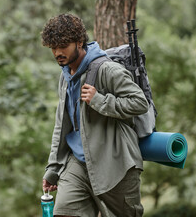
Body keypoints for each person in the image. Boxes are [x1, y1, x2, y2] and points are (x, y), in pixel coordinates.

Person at [41, 13, 149, 217]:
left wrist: (99, 100)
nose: (57, 52)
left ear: (79, 42)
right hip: (78, 165)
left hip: (115, 165)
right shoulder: (65, 77)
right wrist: (53, 168)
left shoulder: (107, 69)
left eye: (63, 45)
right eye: (53, 47)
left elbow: (139, 102)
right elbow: (61, 125)